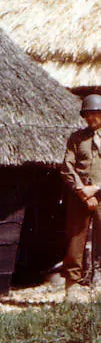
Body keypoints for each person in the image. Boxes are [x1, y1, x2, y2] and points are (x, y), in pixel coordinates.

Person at [61, 93, 101, 301]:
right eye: (87, 115)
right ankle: (72, 286)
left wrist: (96, 188)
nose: (91, 119)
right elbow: (67, 167)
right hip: (80, 196)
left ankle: (99, 283)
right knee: (75, 240)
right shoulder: (77, 138)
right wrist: (82, 191)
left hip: (100, 194)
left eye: (95, 114)